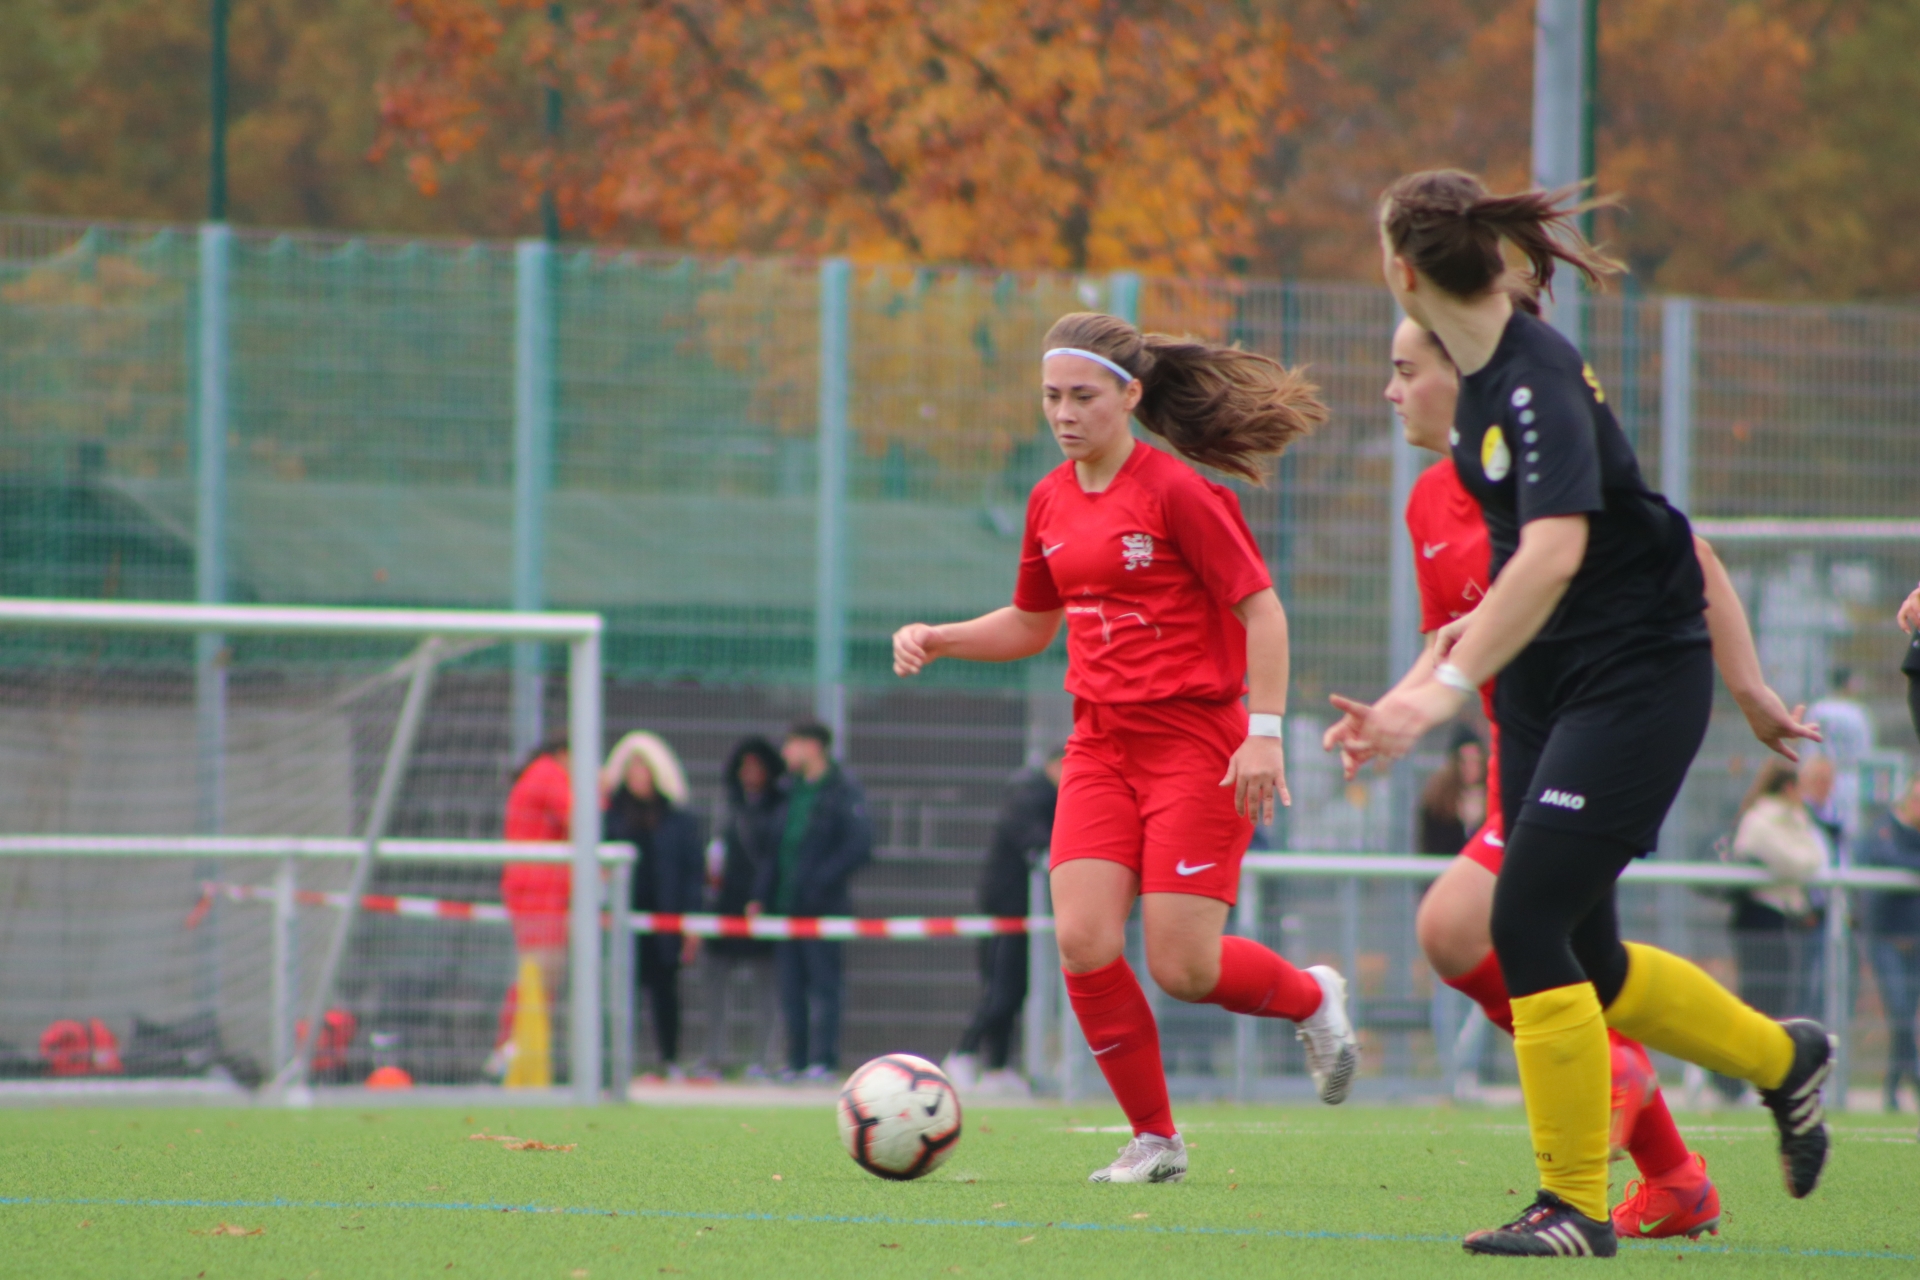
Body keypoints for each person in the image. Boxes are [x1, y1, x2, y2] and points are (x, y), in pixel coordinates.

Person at [1335, 170, 1835, 1256]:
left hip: (1635, 676)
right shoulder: (1481, 387)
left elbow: (1559, 551)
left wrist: (1439, 698)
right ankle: (1785, 1060)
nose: (1393, 384)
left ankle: (1573, 1206)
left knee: (1519, 924)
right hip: (1547, 687)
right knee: (1587, 960)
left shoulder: (1533, 380)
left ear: (1403, 271)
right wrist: (1414, 698)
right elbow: (1506, 586)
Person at [892, 310, 1357, 1187]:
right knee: (1082, 939)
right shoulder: (1048, 499)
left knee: (1183, 967)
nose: (1064, 414)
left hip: (1197, 744)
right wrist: (941, 637)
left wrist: (1264, 735)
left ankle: (1312, 996)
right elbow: (1033, 623)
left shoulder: (1177, 493)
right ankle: (1155, 1140)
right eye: (1051, 397)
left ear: (1130, 395)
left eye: (1082, 396)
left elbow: (1264, 612)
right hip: (1100, 745)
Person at [751, 721, 872, 1082]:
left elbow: (859, 846)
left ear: (813, 746)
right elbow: (775, 849)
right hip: (787, 910)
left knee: (824, 985)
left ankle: (824, 1061)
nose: (786, 753)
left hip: (823, 910)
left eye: (792, 745)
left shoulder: (842, 791)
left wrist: (819, 883)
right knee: (790, 988)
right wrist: (761, 895)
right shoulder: (787, 791)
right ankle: (796, 1060)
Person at [944, 751, 1063, 1097]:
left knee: (1016, 989)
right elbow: (1036, 842)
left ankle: (996, 1066)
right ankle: (963, 1054)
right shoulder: (1028, 795)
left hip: (1025, 913)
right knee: (1000, 988)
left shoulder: (1047, 796)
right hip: (1006, 910)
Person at [602, 731, 704, 1082]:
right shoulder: (611, 816)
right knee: (619, 991)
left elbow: (692, 873)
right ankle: (617, 1062)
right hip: (621, 920)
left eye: (644, 767)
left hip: (665, 921)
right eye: (632, 767)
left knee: (665, 991)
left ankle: (669, 1059)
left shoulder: (679, 819)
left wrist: (692, 920)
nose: (638, 775)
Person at [698, 736, 786, 1078]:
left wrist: (761, 898)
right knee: (715, 981)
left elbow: (774, 859)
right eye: (744, 767)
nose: (750, 774)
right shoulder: (730, 807)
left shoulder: (779, 808)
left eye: (757, 767)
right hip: (726, 907)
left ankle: (765, 1058)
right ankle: (714, 1056)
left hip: (764, 909)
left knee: (768, 986)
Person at [490, 735, 572, 1080]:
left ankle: (521, 1052)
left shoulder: (540, 774)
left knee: (540, 977)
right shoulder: (548, 774)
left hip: (540, 890)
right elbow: (579, 817)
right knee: (538, 975)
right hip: (538, 892)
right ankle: (509, 1052)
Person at [1726, 760, 1829, 1022]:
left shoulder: (1795, 819)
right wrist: (1803, 853)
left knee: (1781, 995)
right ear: (1788, 788)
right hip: (1760, 914)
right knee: (1761, 995)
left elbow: (1817, 856)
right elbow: (1795, 863)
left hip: (1784, 914)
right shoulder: (1760, 820)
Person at [1860, 775, 1920, 1111]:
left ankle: (1893, 1087)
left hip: (1916, 938)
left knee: (1906, 1016)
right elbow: (1887, 858)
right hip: (1886, 939)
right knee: (1899, 1012)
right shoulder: (1885, 828)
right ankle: (1914, 1079)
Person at [1807, 667, 1875, 841]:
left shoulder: (1819, 709)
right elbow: (1865, 751)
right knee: (1849, 831)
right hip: (1849, 775)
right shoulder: (1858, 712)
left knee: (1818, 825)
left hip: (1820, 774)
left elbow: (1809, 746)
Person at [1417, 725, 1486, 856]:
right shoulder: (1438, 801)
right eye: (1464, 762)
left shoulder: (1494, 798)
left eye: (1475, 761)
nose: (1470, 768)